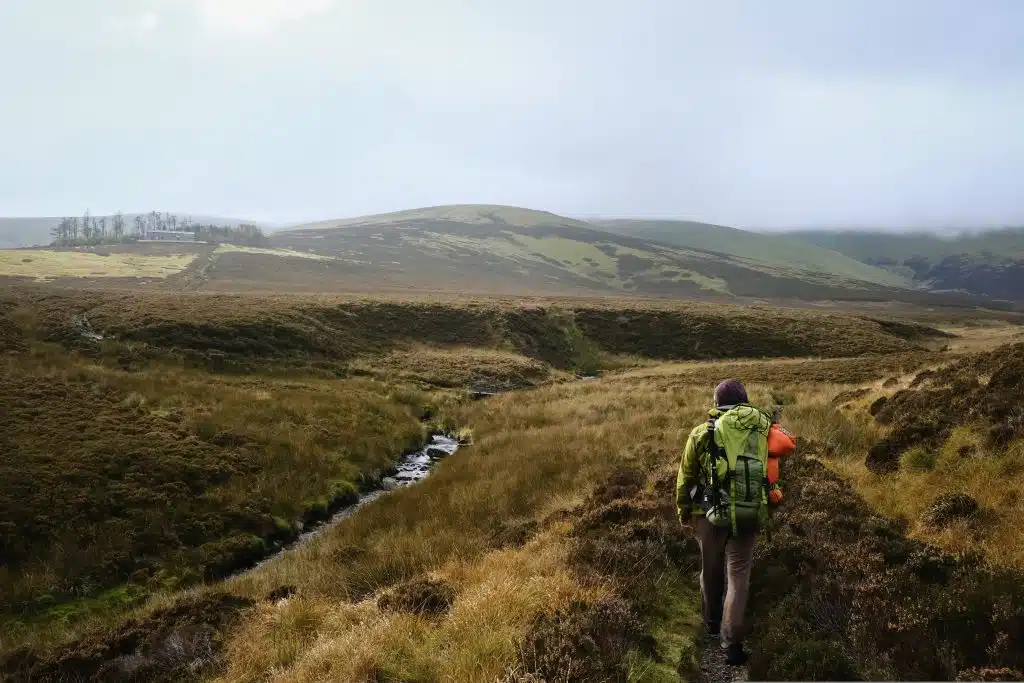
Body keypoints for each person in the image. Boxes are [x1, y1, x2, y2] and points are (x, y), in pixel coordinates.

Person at [675, 378, 794, 666]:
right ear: (745, 401)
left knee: (711, 570)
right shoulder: (762, 429)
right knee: (738, 576)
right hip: (749, 511)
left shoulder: (702, 432)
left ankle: (712, 623)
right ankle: (732, 644)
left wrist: (683, 510)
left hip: (708, 514)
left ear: (716, 403)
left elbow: (686, 476)